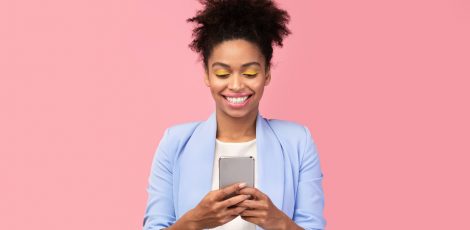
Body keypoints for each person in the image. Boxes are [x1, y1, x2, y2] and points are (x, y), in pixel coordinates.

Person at [142, 0, 326, 229]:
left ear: (267, 73)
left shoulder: (298, 142)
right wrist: (193, 222)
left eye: (250, 72)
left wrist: (277, 221)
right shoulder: (175, 143)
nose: (236, 85)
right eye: (222, 73)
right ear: (207, 75)